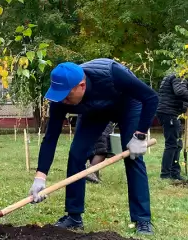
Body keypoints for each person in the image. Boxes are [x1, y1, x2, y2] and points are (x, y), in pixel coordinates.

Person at [28, 59, 158, 235]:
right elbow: (51, 137)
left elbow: (151, 97)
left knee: (133, 156)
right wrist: (40, 177)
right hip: (96, 110)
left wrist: (140, 135)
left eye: (67, 96)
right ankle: (74, 217)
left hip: (127, 103)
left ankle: (142, 219)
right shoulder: (60, 98)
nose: (63, 101)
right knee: (77, 154)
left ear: (81, 85)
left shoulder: (113, 74)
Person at [156, 74, 188, 181]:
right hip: (169, 112)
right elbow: (180, 92)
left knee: (178, 144)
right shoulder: (180, 74)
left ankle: (175, 173)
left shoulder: (179, 74)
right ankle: (165, 175)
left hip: (172, 112)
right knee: (172, 144)